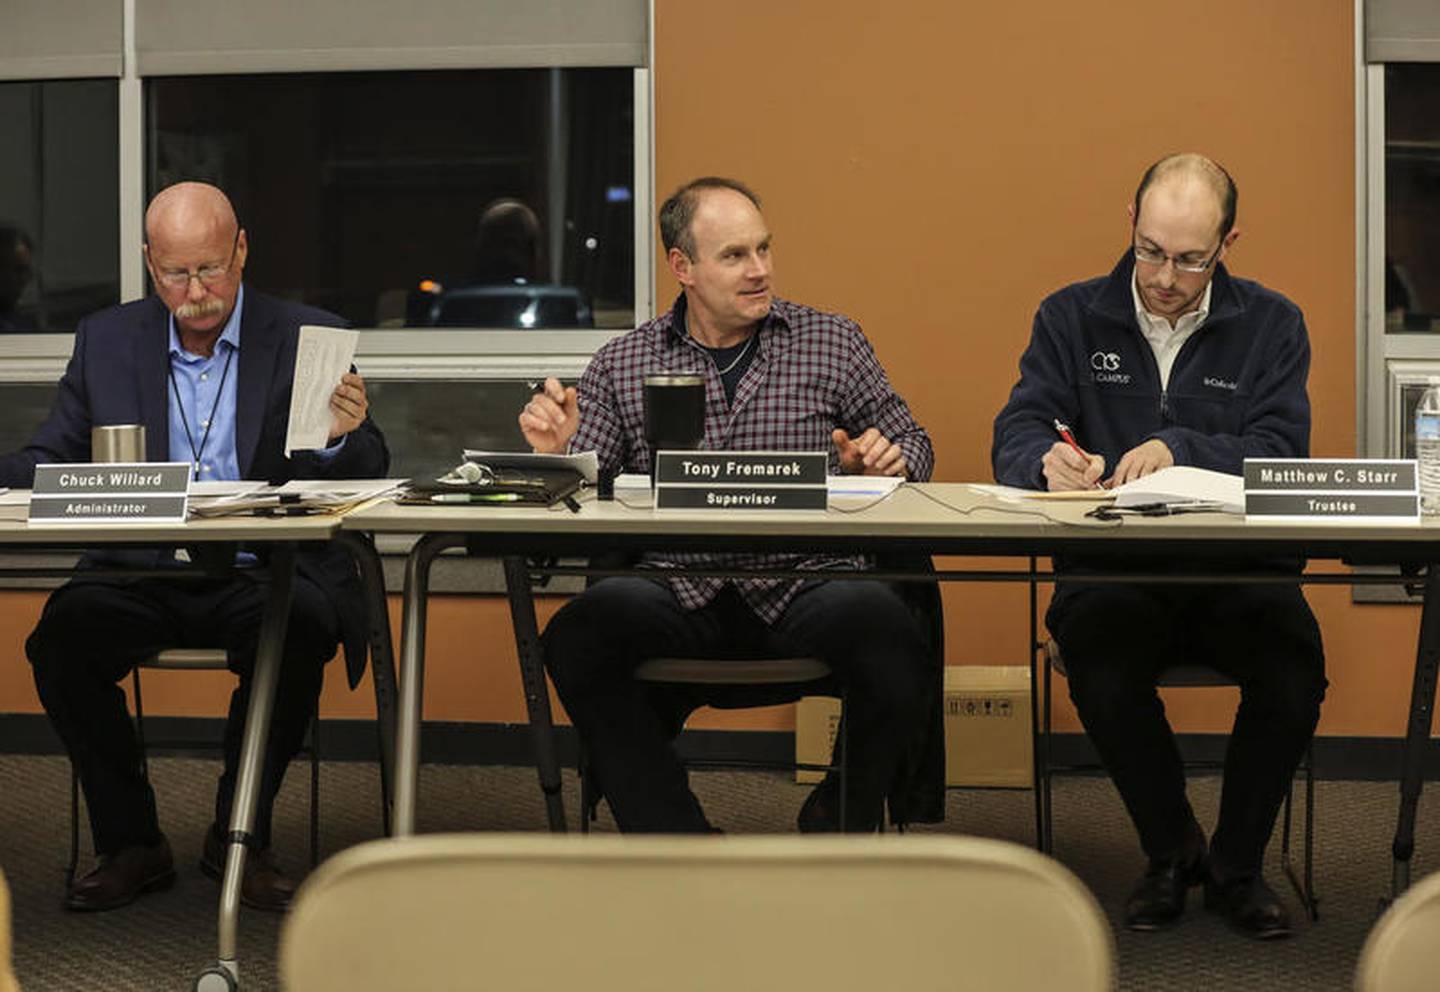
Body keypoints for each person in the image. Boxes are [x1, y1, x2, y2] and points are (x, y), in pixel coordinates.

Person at [2, 182, 389, 912]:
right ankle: (132, 842)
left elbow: (369, 464)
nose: (197, 291)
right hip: (140, 569)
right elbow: (50, 457)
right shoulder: (107, 341)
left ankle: (239, 834)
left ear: (242, 249)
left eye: (211, 268)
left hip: (260, 569)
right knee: (60, 641)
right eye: (176, 274)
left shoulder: (307, 336)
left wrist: (342, 438)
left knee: (299, 630)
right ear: (150, 264)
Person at [520, 176, 935, 833]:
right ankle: (674, 833)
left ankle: (839, 812)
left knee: (893, 629)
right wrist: (559, 453)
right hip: (676, 585)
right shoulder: (623, 363)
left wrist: (887, 457)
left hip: (803, 581)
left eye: (764, 249)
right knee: (577, 637)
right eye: (736, 256)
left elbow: (913, 441)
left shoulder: (832, 342)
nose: (760, 270)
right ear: (682, 267)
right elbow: (585, 488)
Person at [992, 154, 1326, 939]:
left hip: (1236, 573)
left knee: (1294, 674)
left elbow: (1283, 450)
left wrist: (1180, 447)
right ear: (1131, 225)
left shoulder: (1273, 323)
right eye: (1150, 250)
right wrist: (1042, 458)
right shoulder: (1070, 315)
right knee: (1101, 667)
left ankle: (1238, 868)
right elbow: (1019, 424)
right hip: (1114, 569)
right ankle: (1172, 852)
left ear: (1228, 243)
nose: (1164, 276)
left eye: (1188, 259)